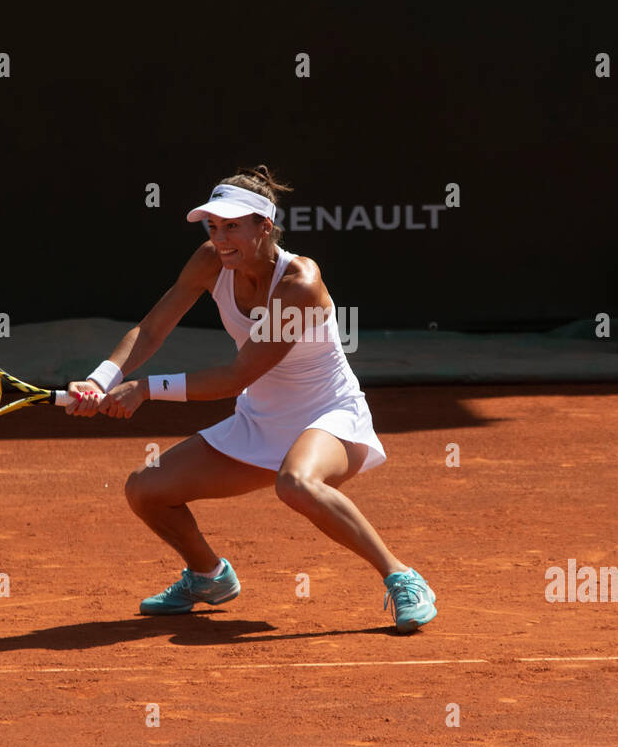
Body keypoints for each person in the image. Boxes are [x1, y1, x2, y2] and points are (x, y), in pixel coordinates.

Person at [65, 165, 437, 632]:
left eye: (233, 227)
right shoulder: (209, 261)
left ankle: (402, 577)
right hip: (260, 420)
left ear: (265, 226)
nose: (220, 239)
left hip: (328, 416)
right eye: (213, 227)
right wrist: (100, 380)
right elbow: (151, 328)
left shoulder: (299, 283)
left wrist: (145, 389)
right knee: (145, 489)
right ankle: (208, 577)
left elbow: (239, 374)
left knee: (296, 483)